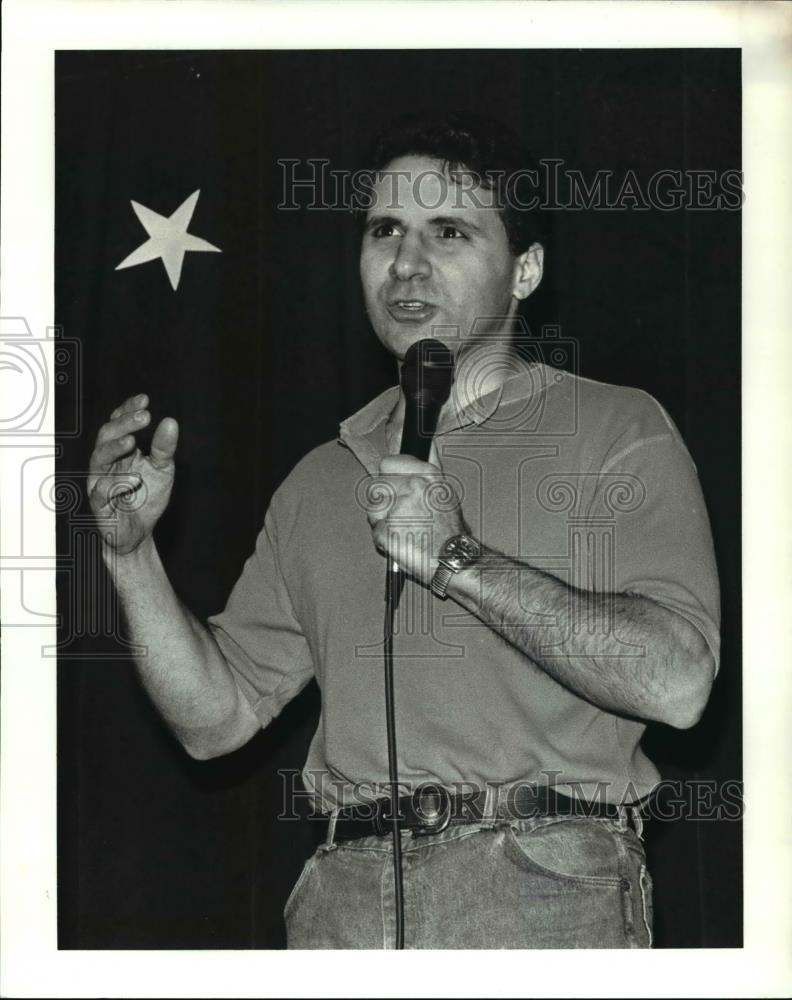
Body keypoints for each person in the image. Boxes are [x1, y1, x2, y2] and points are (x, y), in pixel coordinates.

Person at [87, 114, 720, 949]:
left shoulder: (615, 427)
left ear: (525, 270)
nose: (407, 264)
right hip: (342, 900)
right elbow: (216, 721)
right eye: (385, 230)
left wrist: (457, 558)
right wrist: (130, 558)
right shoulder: (322, 476)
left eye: (449, 232)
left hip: (544, 887)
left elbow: (678, 684)